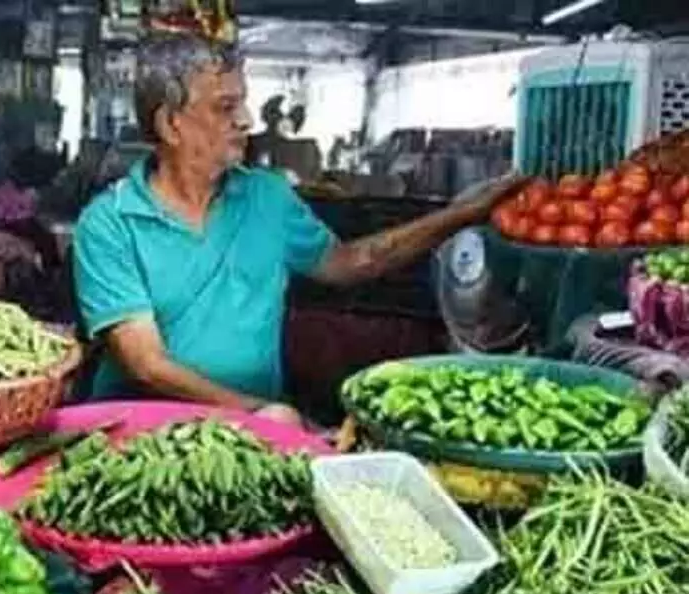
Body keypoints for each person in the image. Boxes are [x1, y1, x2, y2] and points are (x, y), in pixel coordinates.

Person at [72, 31, 526, 425]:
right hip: (136, 435)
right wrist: (255, 412)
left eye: (243, 102)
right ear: (171, 124)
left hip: (252, 436)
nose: (247, 120)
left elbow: (350, 263)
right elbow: (146, 364)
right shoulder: (110, 224)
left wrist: (461, 213)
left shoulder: (268, 197)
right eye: (226, 107)